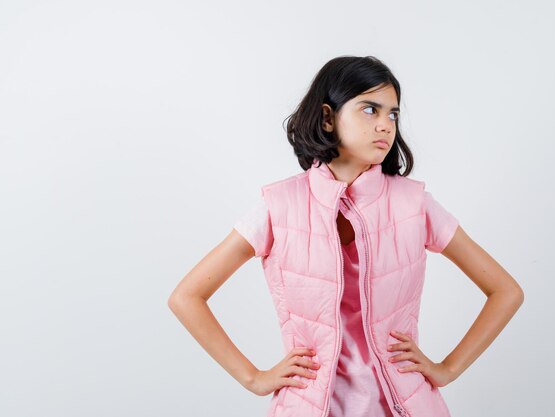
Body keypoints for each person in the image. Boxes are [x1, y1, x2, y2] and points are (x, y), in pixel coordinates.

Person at [168, 55, 524, 417]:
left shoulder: (414, 204)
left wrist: (447, 370)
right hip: (308, 406)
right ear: (327, 117)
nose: (386, 125)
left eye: (393, 114)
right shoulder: (279, 206)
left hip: (404, 405)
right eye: (370, 109)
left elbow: (506, 291)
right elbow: (187, 296)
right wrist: (253, 378)